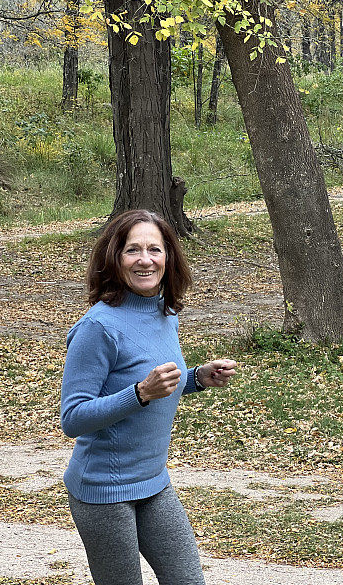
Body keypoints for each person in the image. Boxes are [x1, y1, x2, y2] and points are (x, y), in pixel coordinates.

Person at [60, 209, 237, 585]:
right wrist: (139, 393)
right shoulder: (97, 327)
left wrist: (196, 378)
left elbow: (158, 385)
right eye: (133, 250)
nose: (145, 259)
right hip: (103, 491)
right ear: (115, 258)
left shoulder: (164, 311)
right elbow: (73, 419)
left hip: (153, 480)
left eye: (154, 249)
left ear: (168, 256)